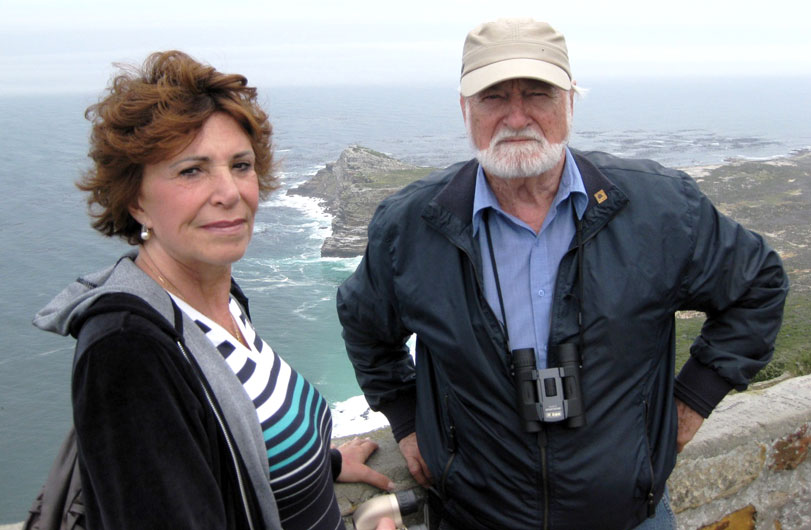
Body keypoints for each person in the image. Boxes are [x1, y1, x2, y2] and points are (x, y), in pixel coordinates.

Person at [336, 18, 789, 530]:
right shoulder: (411, 226)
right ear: (465, 109)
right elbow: (365, 326)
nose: (516, 117)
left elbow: (758, 285)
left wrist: (693, 400)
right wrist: (407, 418)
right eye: (493, 97)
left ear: (570, 101)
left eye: (538, 94)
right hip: (476, 518)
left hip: (629, 518)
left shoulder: (660, 208)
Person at [34, 50, 395, 530]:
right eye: (192, 170)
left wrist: (317, 465)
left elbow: (237, 444)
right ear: (135, 198)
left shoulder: (218, 298)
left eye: (241, 165)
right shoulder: (127, 350)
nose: (229, 192)